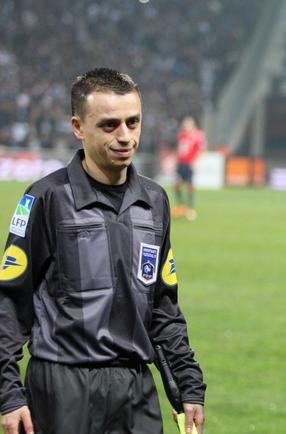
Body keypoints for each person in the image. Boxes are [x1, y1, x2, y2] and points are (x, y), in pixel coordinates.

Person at [0, 68, 206, 434]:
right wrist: (9, 395)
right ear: (78, 127)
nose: (125, 136)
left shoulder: (155, 201)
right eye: (110, 125)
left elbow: (163, 307)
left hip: (135, 389)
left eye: (133, 122)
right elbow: (9, 305)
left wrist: (187, 384)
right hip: (63, 387)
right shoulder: (45, 198)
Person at [173, 115, 206, 221]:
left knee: (190, 185)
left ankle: (190, 208)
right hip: (181, 164)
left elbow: (202, 149)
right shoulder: (181, 135)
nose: (185, 125)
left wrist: (195, 161)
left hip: (189, 164)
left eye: (187, 124)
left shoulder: (198, 135)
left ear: (192, 125)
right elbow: (179, 150)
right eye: (184, 124)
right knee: (177, 185)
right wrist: (176, 161)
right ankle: (180, 206)